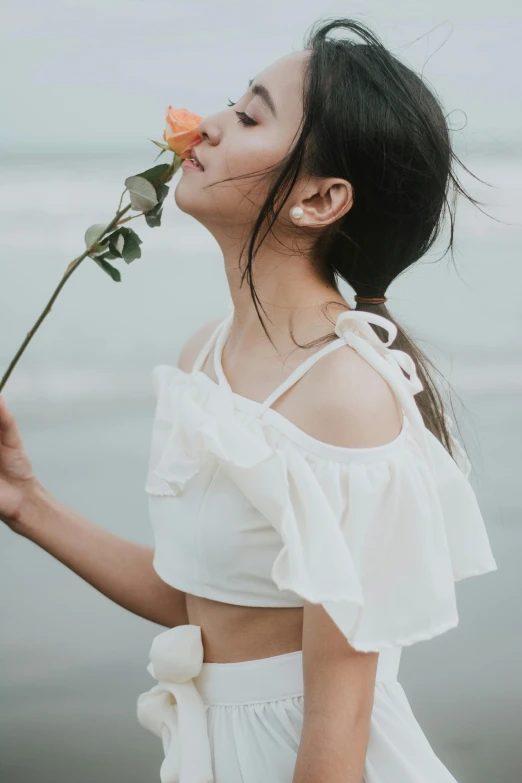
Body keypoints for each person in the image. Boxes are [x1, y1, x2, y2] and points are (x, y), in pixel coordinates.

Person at [0, 16, 498, 783]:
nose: (207, 123)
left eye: (251, 115)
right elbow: (203, 605)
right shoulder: (204, 355)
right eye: (234, 101)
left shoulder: (346, 396)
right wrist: (25, 500)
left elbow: (340, 724)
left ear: (321, 199)